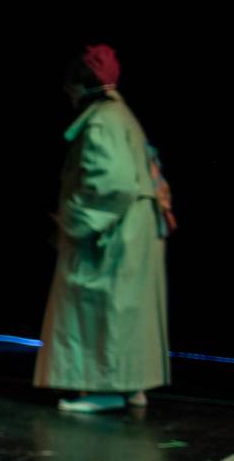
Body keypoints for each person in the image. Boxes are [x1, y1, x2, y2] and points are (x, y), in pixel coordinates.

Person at [35, 44, 172, 413]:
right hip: (135, 225)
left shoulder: (101, 121)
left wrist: (75, 219)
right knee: (127, 307)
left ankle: (104, 387)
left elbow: (113, 183)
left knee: (103, 304)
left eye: (70, 87)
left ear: (80, 87)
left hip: (116, 228)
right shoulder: (121, 115)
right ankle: (132, 385)